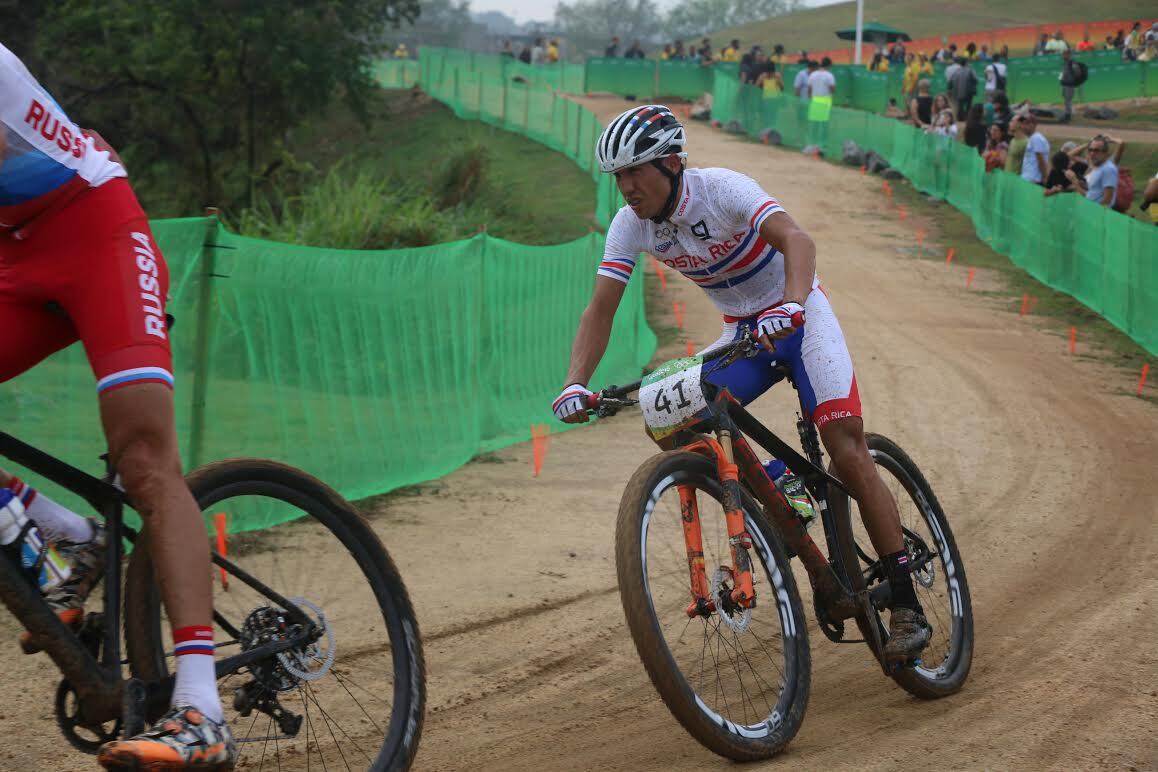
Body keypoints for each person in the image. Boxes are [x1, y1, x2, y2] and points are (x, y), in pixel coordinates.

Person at [555, 104, 934, 664]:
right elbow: (601, 309)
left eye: (635, 171)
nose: (626, 187)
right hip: (742, 333)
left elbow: (798, 241)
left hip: (799, 318)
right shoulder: (630, 225)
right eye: (618, 176)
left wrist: (793, 303)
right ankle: (782, 486)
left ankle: (905, 602)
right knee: (669, 412)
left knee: (846, 449)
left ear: (672, 163)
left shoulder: (721, 189)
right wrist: (576, 383)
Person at [0, 43, 235, 769]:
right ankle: (66, 533)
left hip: (98, 229)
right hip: (15, 247)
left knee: (145, 464)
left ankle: (202, 708)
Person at [1067, 135, 1119, 208]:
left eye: (1096, 150)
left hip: (1096, 212)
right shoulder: (1098, 166)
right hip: (1089, 209)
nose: (1092, 153)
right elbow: (1094, 194)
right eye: (1090, 150)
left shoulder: (1108, 169)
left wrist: (1074, 181)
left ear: (1105, 153)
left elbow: (1107, 201)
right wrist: (1085, 186)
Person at [1016, 114, 1049, 185]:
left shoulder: (1037, 138)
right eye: (1022, 124)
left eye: (1026, 123)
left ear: (1034, 124)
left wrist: (1045, 177)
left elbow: (1041, 159)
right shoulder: (1032, 138)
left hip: (1033, 180)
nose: (1023, 126)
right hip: (1028, 179)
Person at [948, 56, 978, 121]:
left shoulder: (956, 71)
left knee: (960, 105)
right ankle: (968, 118)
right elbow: (975, 79)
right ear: (966, 63)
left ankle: (960, 118)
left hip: (957, 91)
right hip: (968, 91)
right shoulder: (970, 70)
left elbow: (950, 81)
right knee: (968, 105)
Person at [1059, 48, 1083, 123]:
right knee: (1066, 100)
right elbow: (1063, 72)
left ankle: (1068, 116)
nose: (1063, 56)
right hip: (1064, 84)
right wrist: (1061, 79)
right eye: (1063, 54)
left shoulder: (1073, 63)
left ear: (1068, 55)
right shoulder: (1064, 63)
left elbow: (1078, 73)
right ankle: (1066, 114)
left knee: (1068, 100)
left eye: (1064, 54)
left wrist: (1072, 79)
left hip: (1070, 85)